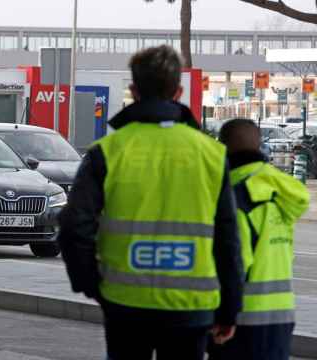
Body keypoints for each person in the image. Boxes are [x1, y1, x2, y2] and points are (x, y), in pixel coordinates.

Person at [58, 45, 244, 360]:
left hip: (126, 304)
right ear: (178, 92)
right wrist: (230, 308)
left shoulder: (108, 151)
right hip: (191, 307)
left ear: (133, 90)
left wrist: (91, 284)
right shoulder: (211, 154)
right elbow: (228, 238)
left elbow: (75, 224)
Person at [207, 119, 310, 360]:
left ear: (223, 148)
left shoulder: (236, 197)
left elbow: (234, 264)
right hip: (281, 316)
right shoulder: (279, 191)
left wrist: (224, 316)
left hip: (242, 320)